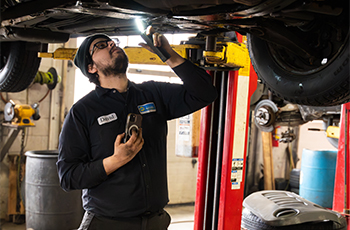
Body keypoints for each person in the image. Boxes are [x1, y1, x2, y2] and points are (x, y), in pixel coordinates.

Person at [57, 31, 217, 230]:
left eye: (111, 41)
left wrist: (168, 54)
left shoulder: (152, 93)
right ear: (91, 67)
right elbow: (68, 176)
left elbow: (205, 93)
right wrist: (115, 161)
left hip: (155, 222)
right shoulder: (83, 112)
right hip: (107, 224)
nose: (110, 44)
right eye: (100, 46)